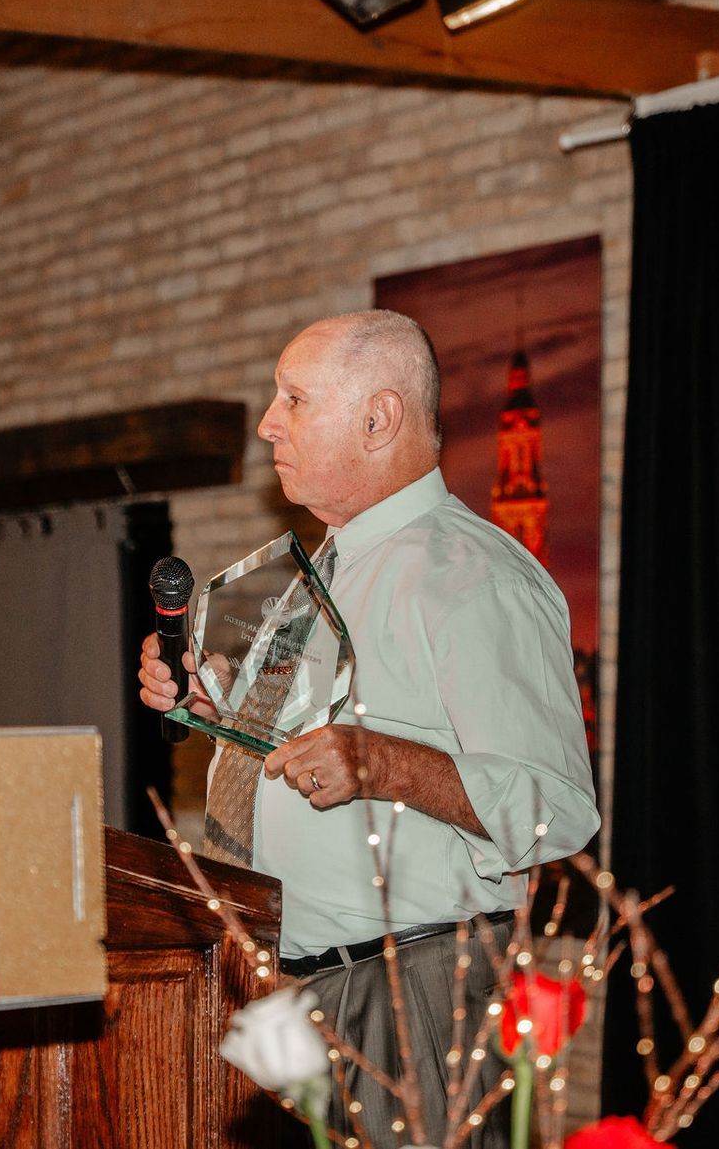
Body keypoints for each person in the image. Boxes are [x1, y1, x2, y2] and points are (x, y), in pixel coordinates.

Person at [139, 310, 598, 1147]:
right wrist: (217, 705)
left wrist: (387, 764)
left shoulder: (472, 574)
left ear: (377, 417)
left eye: (294, 398)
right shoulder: (311, 573)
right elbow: (289, 754)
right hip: (287, 987)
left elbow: (558, 807)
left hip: (411, 994)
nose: (269, 423)